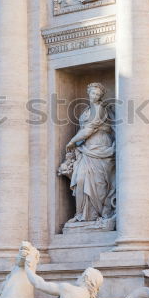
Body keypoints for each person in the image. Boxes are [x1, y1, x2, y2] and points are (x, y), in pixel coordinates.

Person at [60, 83, 116, 225]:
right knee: (80, 180)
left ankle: (97, 213)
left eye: (98, 95)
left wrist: (72, 142)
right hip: (87, 148)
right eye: (93, 93)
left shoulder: (99, 109)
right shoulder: (87, 110)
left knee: (98, 183)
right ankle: (81, 214)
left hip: (100, 146)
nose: (95, 96)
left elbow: (88, 129)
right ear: (88, 93)